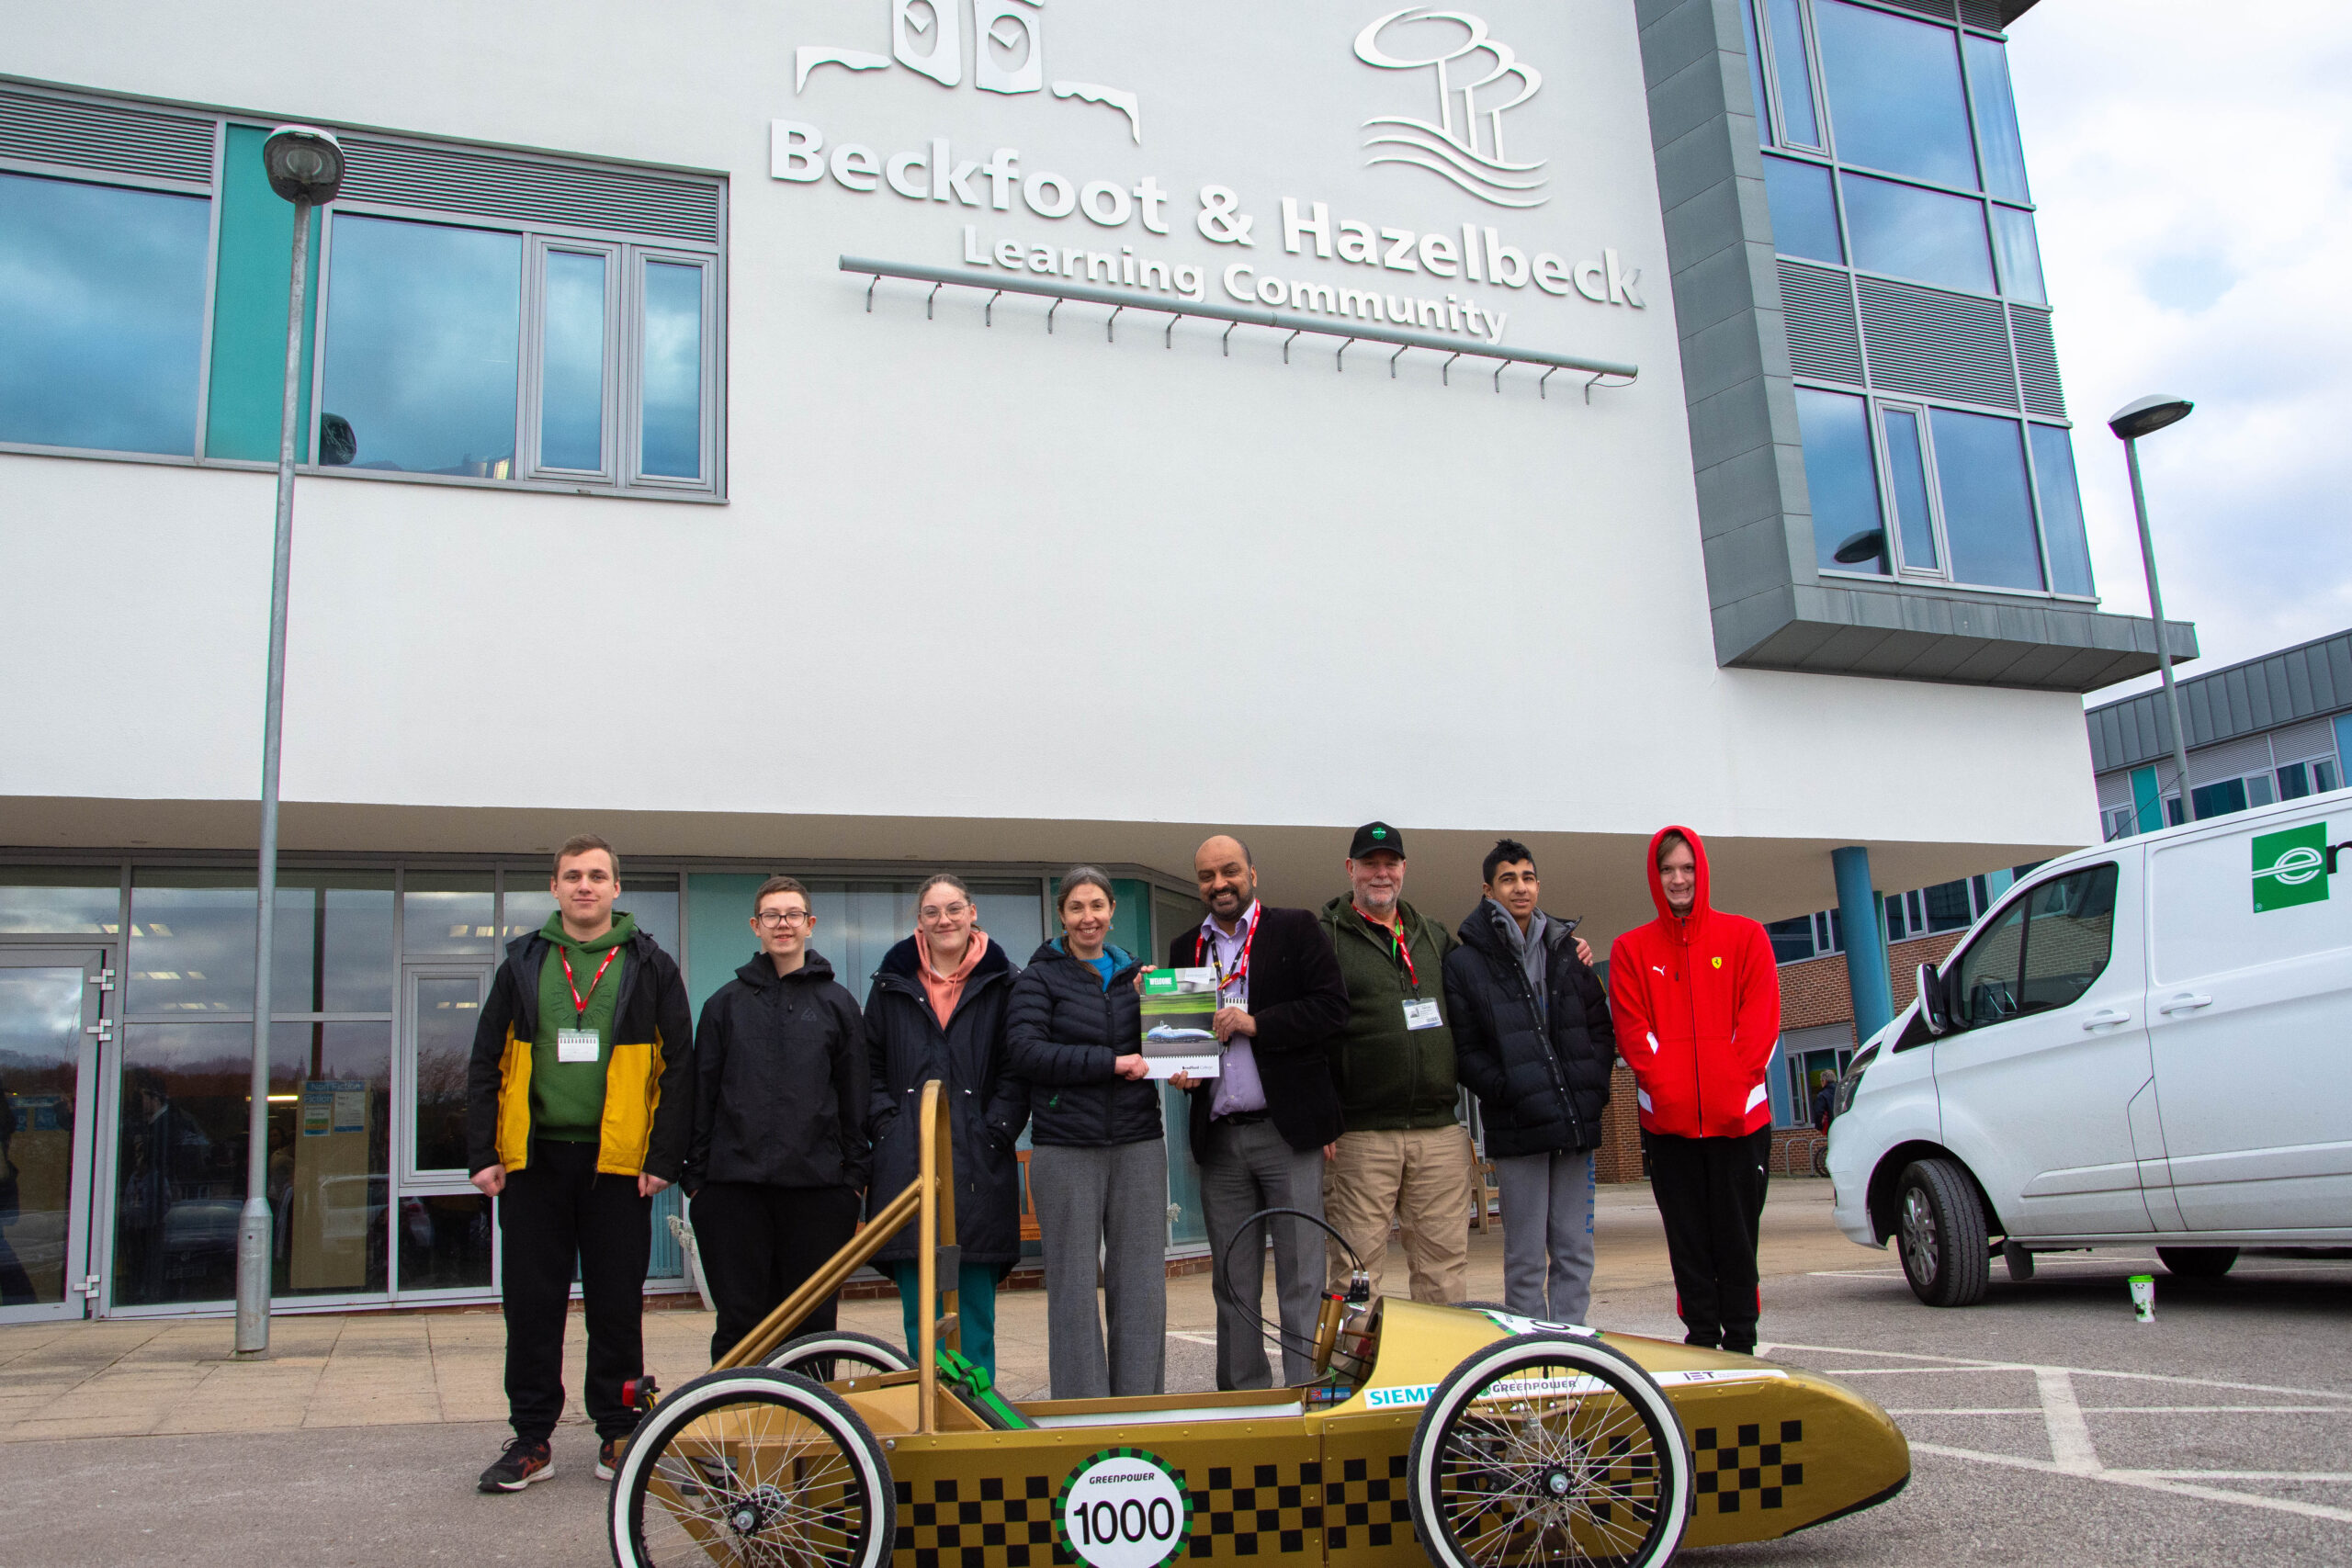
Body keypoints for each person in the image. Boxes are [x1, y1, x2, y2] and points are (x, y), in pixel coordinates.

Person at [466, 834, 693, 1493]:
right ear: (555, 887)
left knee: (617, 1304)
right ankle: (531, 1438)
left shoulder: (650, 964)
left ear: (617, 888)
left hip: (618, 1166)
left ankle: (619, 1433)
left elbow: (680, 1068)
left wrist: (663, 1156)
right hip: (533, 1166)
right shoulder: (523, 964)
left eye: (597, 875)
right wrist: (484, 1152)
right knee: (531, 1306)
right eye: (573, 875)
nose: (585, 885)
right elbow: (485, 1062)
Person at [1166, 835, 1348, 1390]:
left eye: (1229, 871)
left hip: (1285, 1131)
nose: (1218, 884)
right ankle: (1245, 1399)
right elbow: (1183, 1041)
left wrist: (1256, 1022)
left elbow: (1332, 1009)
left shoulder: (1294, 928)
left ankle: (1303, 1393)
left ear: (1252, 873)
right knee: (1234, 1280)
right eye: (1206, 876)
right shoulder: (1185, 949)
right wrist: (1182, 1071)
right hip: (1220, 1136)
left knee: (1300, 1275)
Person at [1609, 825, 1781, 1355]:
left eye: (1686, 868)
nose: (1678, 879)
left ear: (1701, 872)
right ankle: (1702, 1343)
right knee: (1687, 1244)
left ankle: (1743, 1344)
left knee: (1737, 1240)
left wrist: (1729, 1090)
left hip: (1740, 1125)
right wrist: (1672, 1093)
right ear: (1654, 878)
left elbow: (1760, 1024)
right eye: (1667, 870)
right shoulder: (1631, 949)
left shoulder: (1746, 936)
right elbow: (1635, 1035)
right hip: (1669, 1128)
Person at [684, 876, 870, 1363]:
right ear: (755, 926)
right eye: (771, 915)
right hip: (731, 1191)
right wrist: (696, 1181)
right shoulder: (724, 1005)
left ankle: (813, 1433)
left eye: (792, 915)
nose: (782, 924)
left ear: (809, 925)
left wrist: (852, 1180)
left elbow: (856, 1099)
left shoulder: (839, 1005)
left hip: (819, 1192)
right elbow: (701, 1095)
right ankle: (737, 1427)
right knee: (740, 1323)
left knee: (812, 1325)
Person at [864, 873, 1029, 1382]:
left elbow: (1016, 1068)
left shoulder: (1006, 983)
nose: (944, 920)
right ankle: (931, 1412)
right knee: (922, 1314)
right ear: (920, 921)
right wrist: (889, 1126)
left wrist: (995, 1129)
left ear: (972, 912)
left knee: (975, 1313)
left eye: (954, 909)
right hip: (906, 1166)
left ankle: (976, 1421)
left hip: (978, 1163)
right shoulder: (891, 986)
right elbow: (867, 1069)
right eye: (933, 912)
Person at [1008, 866, 1164, 1399]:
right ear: (1062, 916)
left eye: (1097, 905)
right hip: (1065, 1146)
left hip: (1139, 1141)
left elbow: (1168, 1047)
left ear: (1112, 910)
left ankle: (1140, 1402)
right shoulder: (1039, 978)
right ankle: (1082, 1407)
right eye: (1077, 907)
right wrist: (1110, 1062)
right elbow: (1026, 1052)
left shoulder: (1141, 978)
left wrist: (1181, 1057)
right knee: (1073, 1286)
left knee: (1141, 1283)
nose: (1088, 917)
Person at [1444, 838, 1612, 1325]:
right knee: (1523, 1262)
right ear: (1488, 890)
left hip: (1576, 1126)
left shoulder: (1566, 950)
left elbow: (1601, 1030)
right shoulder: (1465, 963)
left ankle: (1574, 1354)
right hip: (1519, 1131)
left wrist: (1593, 1090)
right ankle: (1533, 1361)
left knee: (1575, 1253)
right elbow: (1466, 1051)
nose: (1521, 888)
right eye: (1509, 879)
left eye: (1528, 877)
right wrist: (1509, 1091)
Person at [1317, 821, 1474, 1304]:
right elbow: (1309, 1032)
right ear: (1350, 869)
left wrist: (1563, 948)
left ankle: (1445, 1377)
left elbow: (1490, 980)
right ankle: (1351, 1378)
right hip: (1361, 1137)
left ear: (1404, 869)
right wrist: (1323, 1115)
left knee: (1443, 1273)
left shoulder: (1433, 936)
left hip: (1439, 1134)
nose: (1380, 874)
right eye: (1369, 864)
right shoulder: (1324, 938)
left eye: (1390, 863)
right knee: (1355, 1276)